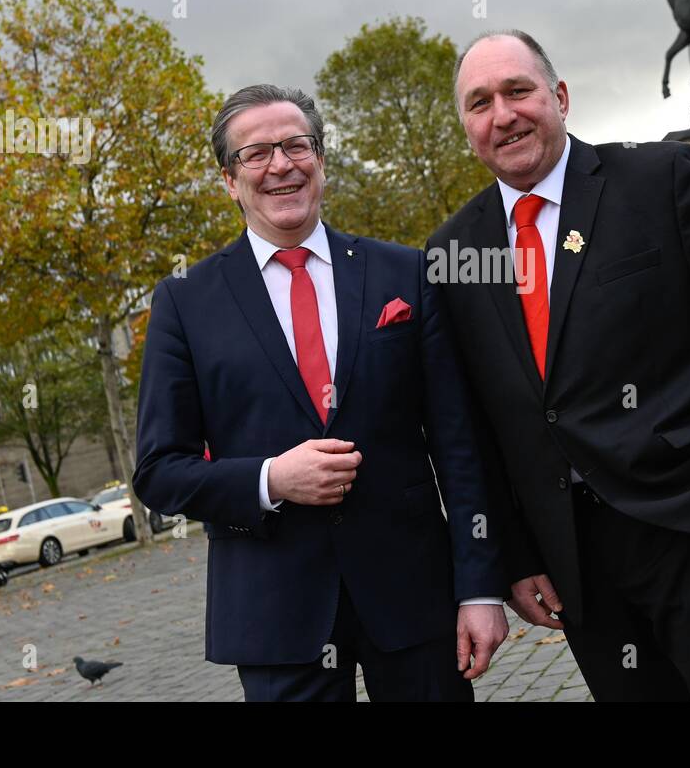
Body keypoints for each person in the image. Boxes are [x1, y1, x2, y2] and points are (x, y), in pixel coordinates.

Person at [428, 30, 690, 701]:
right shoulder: (450, 251)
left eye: (518, 91)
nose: (503, 115)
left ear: (559, 96)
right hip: (574, 563)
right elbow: (474, 424)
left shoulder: (656, 179)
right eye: (480, 103)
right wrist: (516, 556)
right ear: (467, 127)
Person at [133, 84, 508, 702]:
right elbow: (158, 471)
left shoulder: (405, 273)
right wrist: (271, 479)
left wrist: (479, 588)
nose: (281, 165)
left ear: (321, 161)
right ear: (230, 180)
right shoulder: (184, 303)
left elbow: (460, 446)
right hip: (274, 611)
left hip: (413, 598)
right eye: (256, 154)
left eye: (296, 145)